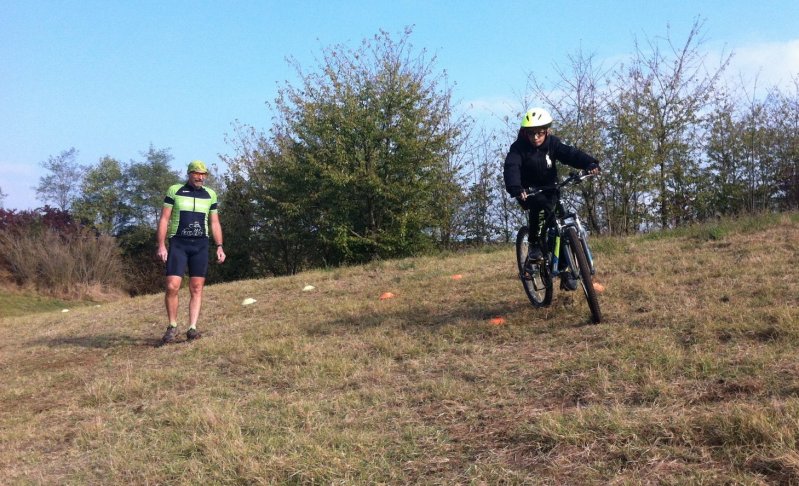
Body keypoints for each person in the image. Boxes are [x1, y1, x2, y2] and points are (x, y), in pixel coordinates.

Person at [503, 107, 600, 291]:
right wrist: (516, 187)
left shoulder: (553, 144)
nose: (535, 138)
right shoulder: (518, 148)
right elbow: (511, 167)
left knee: (561, 226)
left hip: (551, 189)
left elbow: (570, 154)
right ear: (525, 133)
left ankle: (566, 270)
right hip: (528, 192)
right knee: (539, 207)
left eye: (539, 133)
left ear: (546, 131)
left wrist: (589, 163)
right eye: (531, 134)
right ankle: (534, 248)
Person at [155, 160, 226, 345]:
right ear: (189, 173)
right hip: (178, 242)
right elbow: (164, 219)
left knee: (196, 287)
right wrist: (161, 245)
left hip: (201, 244)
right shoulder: (175, 190)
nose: (200, 177)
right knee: (172, 285)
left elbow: (215, 222)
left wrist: (219, 246)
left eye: (203, 174)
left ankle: (192, 328)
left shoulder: (210, 194)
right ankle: (172, 326)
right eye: (196, 173)